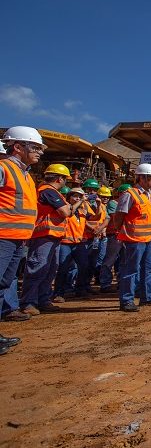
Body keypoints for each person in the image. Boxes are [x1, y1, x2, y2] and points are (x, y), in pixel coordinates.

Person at [0, 126, 45, 324]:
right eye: (35, 147)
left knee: (4, 284)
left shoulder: (25, 174)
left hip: (19, 238)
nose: (40, 152)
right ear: (17, 146)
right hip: (3, 236)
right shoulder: (4, 168)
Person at [20, 164, 72, 315]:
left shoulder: (53, 192)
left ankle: (43, 300)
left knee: (49, 270)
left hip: (53, 236)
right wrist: (68, 207)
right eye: (65, 178)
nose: (65, 182)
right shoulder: (48, 191)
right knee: (37, 268)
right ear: (59, 178)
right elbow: (64, 212)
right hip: (43, 236)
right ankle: (28, 302)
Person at [113, 163, 151, 312]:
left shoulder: (150, 196)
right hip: (134, 240)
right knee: (131, 269)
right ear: (141, 178)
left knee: (149, 269)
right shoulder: (130, 194)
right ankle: (127, 300)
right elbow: (119, 216)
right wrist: (120, 232)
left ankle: (147, 297)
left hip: (150, 240)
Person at [98, 183, 130, 293]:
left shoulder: (128, 204)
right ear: (120, 193)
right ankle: (105, 283)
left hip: (125, 235)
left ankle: (121, 282)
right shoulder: (113, 203)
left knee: (124, 261)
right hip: (115, 235)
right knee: (109, 260)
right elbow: (115, 217)